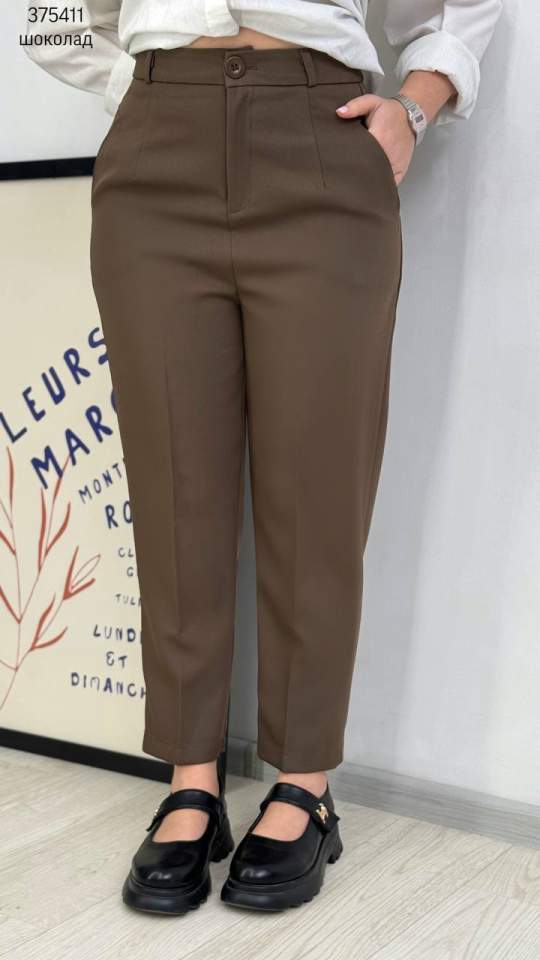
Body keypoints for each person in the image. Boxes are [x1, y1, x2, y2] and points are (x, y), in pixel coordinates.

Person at [24, 0, 503, 915]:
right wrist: (148, 88)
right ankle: (191, 780)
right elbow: (47, 14)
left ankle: (305, 782)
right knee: (173, 480)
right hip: (156, 153)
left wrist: (416, 105)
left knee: (319, 482)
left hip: (321, 136)